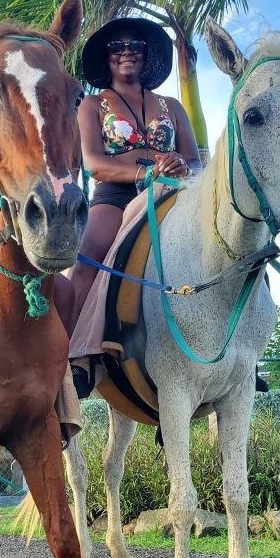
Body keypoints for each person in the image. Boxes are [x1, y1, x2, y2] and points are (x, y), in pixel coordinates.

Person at [56, 17, 201, 336]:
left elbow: (196, 161)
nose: (127, 51)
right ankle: (69, 353)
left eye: (135, 45)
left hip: (175, 194)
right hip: (115, 197)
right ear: (106, 56)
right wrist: (145, 172)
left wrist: (184, 166)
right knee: (88, 257)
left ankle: (246, 349)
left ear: (146, 53)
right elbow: (93, 163)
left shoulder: (172, 106)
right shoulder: (92, 105)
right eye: (116, 46)